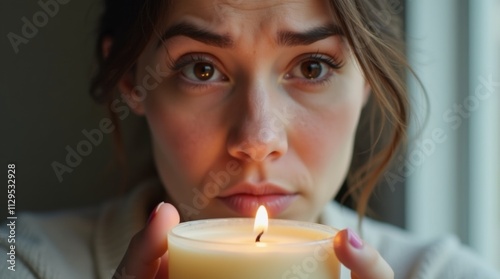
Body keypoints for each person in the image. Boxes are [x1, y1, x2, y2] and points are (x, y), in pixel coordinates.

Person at [1, 0, 499, 278]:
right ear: (132, 80)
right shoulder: (22, 261)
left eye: (312, 66)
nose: (258, 140)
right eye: (201, 69)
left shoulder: (448, 275)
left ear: (367, 78)